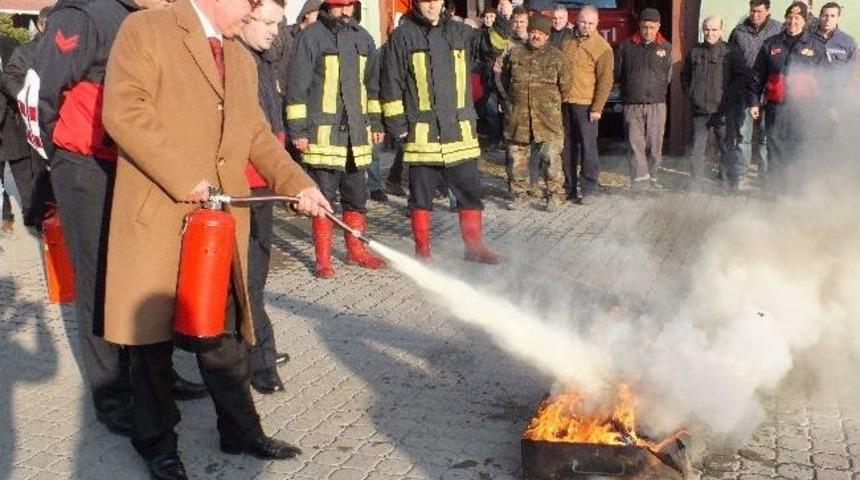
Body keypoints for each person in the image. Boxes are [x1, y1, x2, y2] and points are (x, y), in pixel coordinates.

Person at [101, 0, 332, 477]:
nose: (253, 12)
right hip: (161, 214)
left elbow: (257, 136)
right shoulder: (145, 29)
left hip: (217, 224)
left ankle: (240, 430)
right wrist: (186, 176)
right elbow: (124, 110)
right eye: (248, 3)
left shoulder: (239, 55)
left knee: (224, 334)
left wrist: (298, 184)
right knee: (151, 343)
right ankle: (158, 442)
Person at [18, 0, 206, 440]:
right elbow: (37, 91)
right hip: (85, 165)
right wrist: (59, 153)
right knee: (98, 280)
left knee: (141, 275)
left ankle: (153, 376)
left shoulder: (152, 16)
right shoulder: (84, 15)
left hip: (134, 164)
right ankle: (111, 393)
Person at [380, 0, 511, 262]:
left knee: (470, 193)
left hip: (459, 132)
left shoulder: (460, 32)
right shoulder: (402, 36)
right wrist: (398, 127)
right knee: (420, 197)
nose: (431, 6)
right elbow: (390, 83)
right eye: (426, 1)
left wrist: (502, 17)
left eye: (436, 0)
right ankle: (423, 252)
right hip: (422, 134)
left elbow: (492, 45)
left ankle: (473, 248)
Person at [286, 0, 386, 278]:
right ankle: (323, 259)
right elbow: (297, 88)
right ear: (327, 6)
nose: (345, 12)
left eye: (349, 6)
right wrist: (298, 131)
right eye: (340, 6)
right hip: (322, 137)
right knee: (323, 199)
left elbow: (373, 87)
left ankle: (356, 251)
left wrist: (376, 123)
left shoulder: (364, 39)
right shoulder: (311, 37)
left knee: (356, 198)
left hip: (356, 137)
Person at [238, 0, 293, 394]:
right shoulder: (233, 59)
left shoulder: (262, 59)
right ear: (246, 14)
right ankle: (256, 361)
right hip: (239, 185)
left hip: (263, 181)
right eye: (269, 22)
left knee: (255, 273)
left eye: (279, 22)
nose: (275, 30)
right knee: (245, 278)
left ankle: (255, 351)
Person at [749, 1, 826, 185]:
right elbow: (758, 75)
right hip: (776, 107)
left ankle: (797, 190)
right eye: (790, 17)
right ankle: (776, 189)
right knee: (775, 148)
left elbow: (824, 80)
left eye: (798, 18)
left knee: (800, 149)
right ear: (785, 19)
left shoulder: (816, 46)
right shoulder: (771, 44)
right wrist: (753, 101)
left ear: (805, 21)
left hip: (803, 109)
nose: (793, 21)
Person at [502, 14, 570, 212]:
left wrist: (549, 103)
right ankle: (519, 195)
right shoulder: (515, 54)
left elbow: (566, 86)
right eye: (533, 31)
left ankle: (556, 195)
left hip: (547, 119)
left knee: (551, 159)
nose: (536, 36)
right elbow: (506, 82)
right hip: (518, 119)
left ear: (548, 35)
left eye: (541, 32)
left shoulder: (557, 57)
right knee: (517, 160)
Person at [1, 7, 52, 230]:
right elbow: (10, 79)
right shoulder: (24, 50)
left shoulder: (10, 44)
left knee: (26, 174)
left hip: (15, 125)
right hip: (14, 119)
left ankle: (33, 217)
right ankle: (5, 216)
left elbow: (9, 80)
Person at [682, 15, 744, 191]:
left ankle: (726, 183)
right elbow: (685, 75)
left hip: (723, 110)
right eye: (707, 29)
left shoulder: (731, 51)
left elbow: (740, 77)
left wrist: (729, 99)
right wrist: (691, 94)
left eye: (714, 29)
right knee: (696, 149)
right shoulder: (694, 51)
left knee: (726, 148)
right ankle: (696, 183)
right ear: (703, 30)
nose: (710, 33)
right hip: (700, 110)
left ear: (721, 30)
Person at [560, 4, 613, 203]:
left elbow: (605, 81)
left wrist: (597, 107)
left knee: (588, 147)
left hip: (586, 105)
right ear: (576, 20)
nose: (586, 26)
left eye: (591, 23)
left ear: (597, 23)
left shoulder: (602, 48)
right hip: (566, 102)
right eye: (583, 22)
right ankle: (570, 187)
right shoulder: (567, 42)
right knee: (567, 147)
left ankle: (589, 188)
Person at [615, 8, 672, 190]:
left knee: (655, 145)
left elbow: (668, 76)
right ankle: (639, 183)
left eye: (652, 27)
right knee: (635, 144)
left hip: (657, 103)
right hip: (632, 103)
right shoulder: (626, 46)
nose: (648, 31)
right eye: (645, 27)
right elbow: (619, 74)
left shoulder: (666, 47)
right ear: (639, 25)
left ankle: (652, 179)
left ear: (658, 26)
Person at [727, 0, 783, 183]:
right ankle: (741, 175)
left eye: (759, 11)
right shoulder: (739, 31)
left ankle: (765, 176)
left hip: (769, 89)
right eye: (752, 11)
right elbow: (730, 58)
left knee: (766, 136)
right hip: (745, 89)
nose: (755, 15)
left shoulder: (778, 30)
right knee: (743, 133)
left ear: (768, 11)